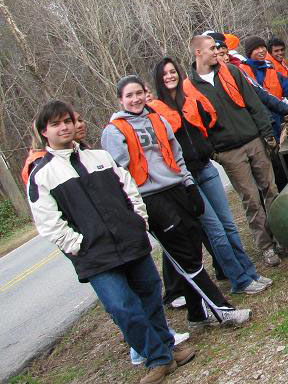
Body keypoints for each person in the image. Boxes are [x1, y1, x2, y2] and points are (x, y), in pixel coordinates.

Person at [27, 100, 196, 384]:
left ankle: (166, 351)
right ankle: (157, 358)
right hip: (96, 257)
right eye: (56, 124)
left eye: (67, 121)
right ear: (45, 132)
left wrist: (138, 222)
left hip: (131, 243)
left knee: (150, 298)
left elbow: (129, 189)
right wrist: (81, 245)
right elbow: (50, 224)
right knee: (122, 307)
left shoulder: (100, 157)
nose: (65, 127)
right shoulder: (42, 175)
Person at [101, 76, 251, 331]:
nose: (136, 99)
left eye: (139, 93)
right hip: (151, 198)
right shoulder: (114, 131)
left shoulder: (156, 119)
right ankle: (222, 311)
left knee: (193, 251)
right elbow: (118, 174)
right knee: (184, 255)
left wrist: (190, 185)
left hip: (177, 189)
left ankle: (196, 316)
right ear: (120, 100)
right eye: (129, 95)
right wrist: (133, 208)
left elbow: (176, 156)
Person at [150, 57, 271, 296]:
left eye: (173, 71)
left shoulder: (191, 100)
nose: (170, 76)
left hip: (206, 169)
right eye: (165, 74)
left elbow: (210, 123)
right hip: (186, 177)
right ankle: (239, 280)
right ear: (159, 79)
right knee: (215, 231)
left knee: (229, 226)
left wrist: (211, 151)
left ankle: (250, 272)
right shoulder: (155, 111)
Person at [188, 34, 285, 266]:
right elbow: (197, 127)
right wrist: (215, 152)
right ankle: (266, 246)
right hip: (229, 152)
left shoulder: (231, 72)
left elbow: (254, 104)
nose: (217, 51)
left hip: (253, 140)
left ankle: (282, 236)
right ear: (198, 53)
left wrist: (267, 134)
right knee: (251, 199)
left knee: (271, 190)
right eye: (212, 48)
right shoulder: (190, 88)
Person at [241, 35, 288, 139]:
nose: (261, 50)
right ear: (249, 52)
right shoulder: (242, 72)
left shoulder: (271, 71)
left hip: (280, 121)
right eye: (257, 48)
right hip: (263, 129)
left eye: (263, 47)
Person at [21, 110, 88, 184]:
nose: (79, 125)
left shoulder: (84, 151)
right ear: (44, 132)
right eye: (56, 125)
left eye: (80, 120)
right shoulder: (40, 164)